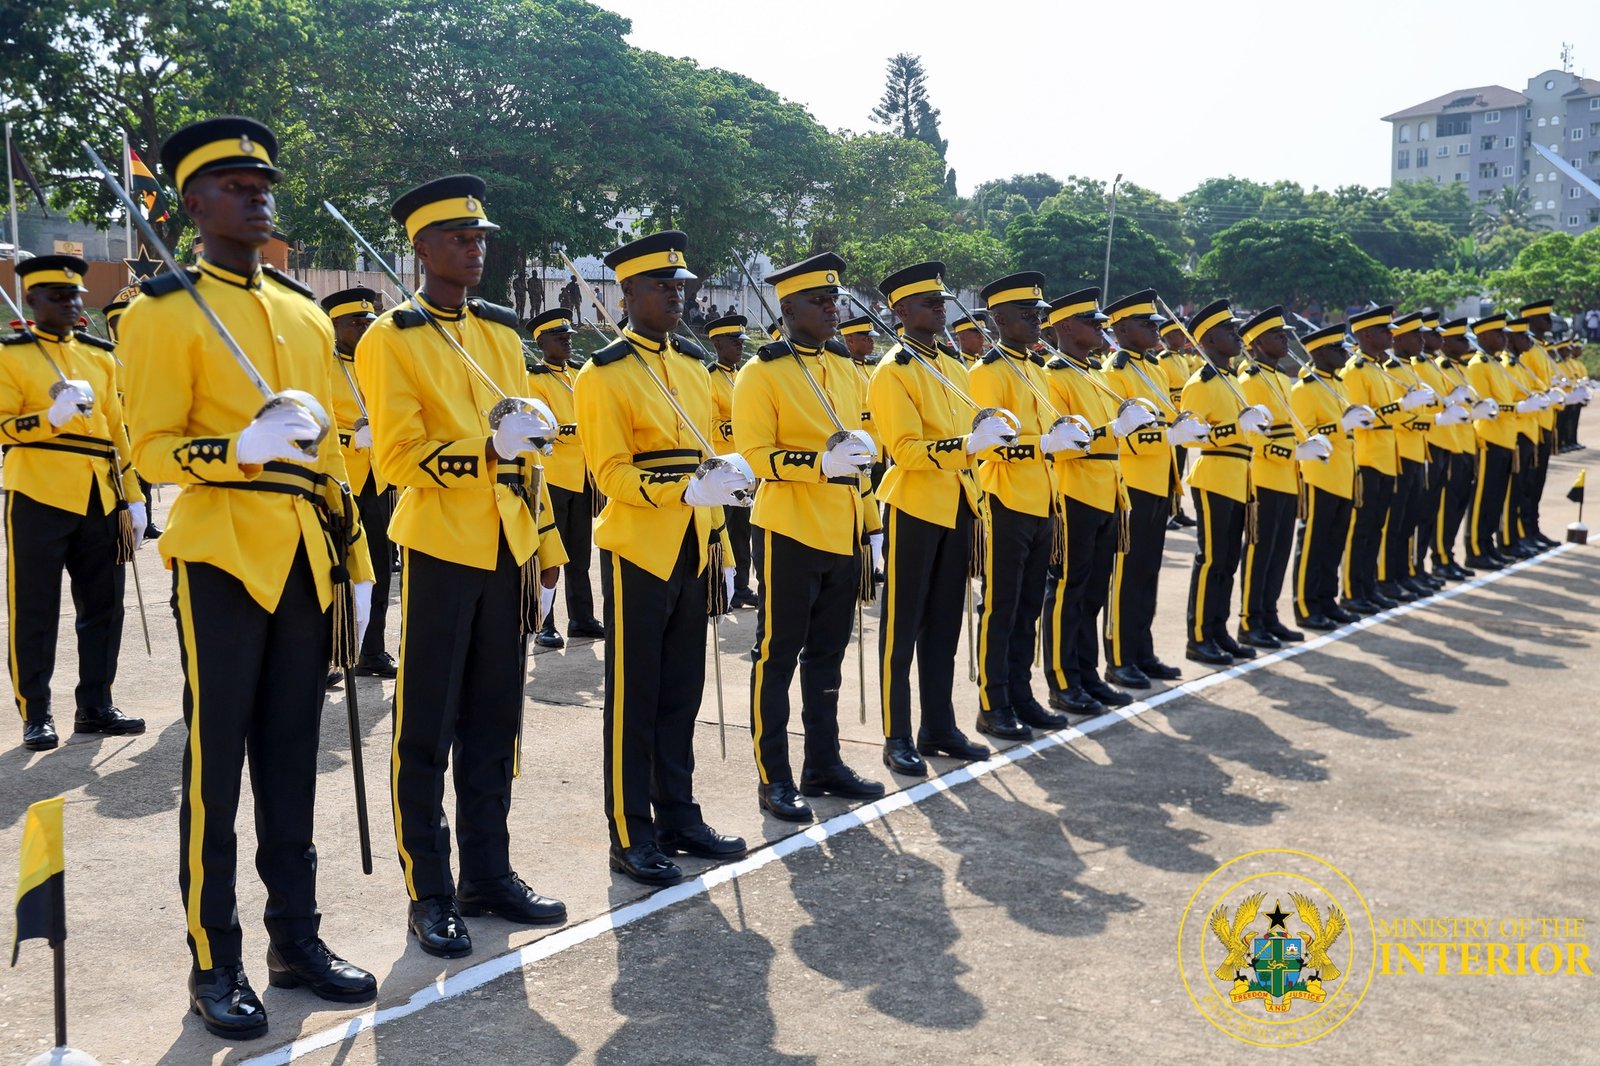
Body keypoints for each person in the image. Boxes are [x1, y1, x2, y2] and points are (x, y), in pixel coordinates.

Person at [121, 116, 377, 1038]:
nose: (255, 192)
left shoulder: (308, 314)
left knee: (290, 761)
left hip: (306, 554)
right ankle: (213, 957)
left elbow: (337, 452)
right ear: (191, 204)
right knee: (216, 768)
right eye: (233, 183)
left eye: (262, 181)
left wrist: (355, 563)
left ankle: (293, 939)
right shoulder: (160, 310)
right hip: (223, 554)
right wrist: (236, 447)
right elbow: (148, 450)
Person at [357, 174, 569, 960]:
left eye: (481, 238)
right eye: (459, 238)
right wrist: (485, 449)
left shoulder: (497, 332)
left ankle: (489, 873)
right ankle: (431, 890)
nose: (476, 249)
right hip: (443, 545)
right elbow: (398, 459)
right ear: (420, 248)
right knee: (427, 727)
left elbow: (530, 457)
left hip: (508, 545)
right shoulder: (392, 336)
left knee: (494, 720)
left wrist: (546, 546)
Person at [574, 230, 749, 887]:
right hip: (638, 547)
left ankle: (679, 816)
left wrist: (720, 540)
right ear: (629, 294)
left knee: (681, 694)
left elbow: (706, 462)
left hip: (691, 545)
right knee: (635, 697)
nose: (678, 295)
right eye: (663, 286)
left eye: (683, 285)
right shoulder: (605, 373)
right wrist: (680, 489)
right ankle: (630, 832)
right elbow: (610, 474)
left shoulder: (693, 365)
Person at [734, 252, 884, 823]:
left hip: (842, 527)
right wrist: (818, 463)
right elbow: (752, 456)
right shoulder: (762, 371)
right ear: (787, 306)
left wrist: (871, 523)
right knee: (777, 655)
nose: (831, 307)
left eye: (834, 299)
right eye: (819, 301)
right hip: (789, 528)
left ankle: (824, 763)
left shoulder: (845, 368)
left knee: (828, 656)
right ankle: (774, 777)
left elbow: (860, 455)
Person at [2, 255, 147, 752]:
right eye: (57, 297)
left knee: (104, 607)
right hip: (38, 490)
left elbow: (116, 431)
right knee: (35, 609)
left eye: (74, 297)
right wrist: (50, 416)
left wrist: (133, 495)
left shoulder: (101, 356)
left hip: (100, 492)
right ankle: (36, 712)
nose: (70, 305)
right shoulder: (10, 355)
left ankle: (95, 705)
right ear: (31, 300)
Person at [870, 261, 1008, 777]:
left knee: (947, 624)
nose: (941, 308)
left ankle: (939, 725)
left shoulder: (951, 366)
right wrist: (967, 445)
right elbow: (904, 450)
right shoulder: (893, 371)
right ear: (901, 311)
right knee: (901, 628)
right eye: (930, 303)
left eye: (942, 301)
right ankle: (897, 734)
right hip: (913, 504)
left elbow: (965, 433)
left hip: (956, 503)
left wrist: (987, 434)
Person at [969, 271, 1089, 740]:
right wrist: (1045, 443)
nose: (1038, 321)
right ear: (999, 319)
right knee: (999, 607)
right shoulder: (986, 374)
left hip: (1042, 499)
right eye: (1027, 314)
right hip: (1003, 498)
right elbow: (991, 444)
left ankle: (1020, 693)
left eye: (1040, 313)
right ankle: (991, 702)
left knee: (1028, 607)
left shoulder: (1037, 369)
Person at [1039, 288, 1143, 716]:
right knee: (1067, 590)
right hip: (1074, 491)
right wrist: (1114, 430)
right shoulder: (1053, 375)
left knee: (1094, 591)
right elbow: (1062, 445)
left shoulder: (1094, 373)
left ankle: (1086, 674)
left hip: (1106, 489)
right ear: (1064, 327)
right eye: (1091, 322)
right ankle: (1062, 680)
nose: (1101, 328)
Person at [1178, 299, 1271, 665]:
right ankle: (1198, 636)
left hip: (1239, 476)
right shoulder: (1200, 382)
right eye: (1229, 331)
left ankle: (1218, 630)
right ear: (1210, 339)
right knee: (1212, 560)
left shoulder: (1233, 378)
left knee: (1228, 561)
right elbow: (1190, 436)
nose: (1237, 335)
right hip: (1215, 475)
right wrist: (1237, 427)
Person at [1099, 290, 1183, 688]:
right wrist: (1170, 435)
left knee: (1148, 573)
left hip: (1158, 484)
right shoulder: (1114, 373)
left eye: (1156, 323)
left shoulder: (1157, 368)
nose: (1156, 329)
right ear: (1122, 327)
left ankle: (1142, 650)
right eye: (1147, 324)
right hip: (1131, 486)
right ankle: (1118, 657)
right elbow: (1125, 438)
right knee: (1126, 575)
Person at [1237, 307, 1331, 647]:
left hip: (1286, 477)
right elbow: (1251, 435)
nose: (1286, 339)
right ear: (1259, 341)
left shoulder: (1278, 377)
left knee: (1278, 553)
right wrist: (1290, 453)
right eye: (1278, 335)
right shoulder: (1250, 380)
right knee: (1260, 552)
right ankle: (1249, 621)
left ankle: (1268, 615)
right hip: (1262, 476)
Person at [320, 287, 397, 679]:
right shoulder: (320, 366)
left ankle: (372, 649)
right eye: (355, 323)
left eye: (369, 322)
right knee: (338, 568)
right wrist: (351, 439)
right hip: (340, 480)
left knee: (379, 568)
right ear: (334, 326)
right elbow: (318, 422)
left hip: (379, 479)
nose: (364, 329)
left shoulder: (379, 363)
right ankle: (333, 651)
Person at [525, 306, 605, 648]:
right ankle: (546, 622)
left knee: (579, 553)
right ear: (542, 342)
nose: (567, 343)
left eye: (568, 337)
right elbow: (546, 429)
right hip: (553, 476)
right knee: (552, 552)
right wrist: (581, 429)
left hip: (582, 476)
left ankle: (582, 618)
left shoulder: (578, 374)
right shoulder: (534, 379)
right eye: (559, 338)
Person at [1289, 325, 1364, 630]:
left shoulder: (1340, 384)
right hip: (1319, 475)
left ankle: (1326, 600)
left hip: (1344, 472)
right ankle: (1306, 606)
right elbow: (1303, 434)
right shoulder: (1304, 389)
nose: (1345, 353)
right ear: (1319, 352)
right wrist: (1340, 426)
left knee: (1334, 543)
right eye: (1337, 349)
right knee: (1313, 544)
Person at [1338, 307, 1405, 614]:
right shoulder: (1355, 370)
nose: (1391, 334)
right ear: (1365, 335)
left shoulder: (1379, 368)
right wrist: (1400, 407)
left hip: (1385, 456)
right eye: (1384, 330)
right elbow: (1361, 418)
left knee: (1376, 527)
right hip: (1366, 458)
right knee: (1361, 528)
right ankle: (1352, 592)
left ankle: (1368, 587)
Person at [1411, 314, 1475, 582]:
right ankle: (1430, 561)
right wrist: (1449, 401)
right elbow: (1423, 407)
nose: (1440, 338)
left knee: (1450, 507)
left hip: (1456, 442)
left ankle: (1440, 557)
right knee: (1430, 511)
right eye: (1435, 334)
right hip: (1434, 442)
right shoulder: (1420, 366)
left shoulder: (1442, 366)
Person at [706, 313, 758, 609]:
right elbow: (712, 426)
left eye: (741, 341)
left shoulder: (742, 375)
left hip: (746, 466)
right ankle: (719, 585)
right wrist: (745, 423)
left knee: (743, 530)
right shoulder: (709, 379)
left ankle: (740, 587)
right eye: (733, 341)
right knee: (722, 528)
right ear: (717, 343)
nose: (740, 346)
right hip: (724, 465)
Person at [103, 295, 163, 539]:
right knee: (122, 475)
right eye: (117, 321)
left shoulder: (146, 354)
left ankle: (146, 521)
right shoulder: (105, 355)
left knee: (145, 475)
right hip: (119, 425)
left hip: (142, 423)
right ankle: (122, 522)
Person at [1160, 321, 1200, 530]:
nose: (1182, 337)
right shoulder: (1162, 361)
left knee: (1180, 471)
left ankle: (1176, 510)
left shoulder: (1182, 359)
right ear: (1166, 337)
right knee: (1170, 471)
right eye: (1176, 333)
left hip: (1182, 420)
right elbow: (1163, 394)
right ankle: (1169, 512)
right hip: (1171, 423)